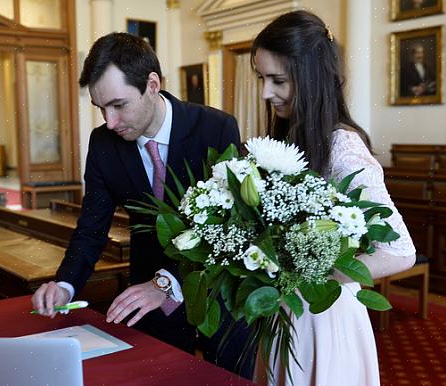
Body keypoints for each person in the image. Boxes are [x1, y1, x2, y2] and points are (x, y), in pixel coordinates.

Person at [30, 32, 254, 378]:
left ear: (152, 84)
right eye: (101, 108)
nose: (110, 121)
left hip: (217, 293)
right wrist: (66, 284)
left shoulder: (215, 127)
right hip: (146, 299)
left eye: (119, 105)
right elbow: (92, 227)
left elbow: (231, 227)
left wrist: (166, 283)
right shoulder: (103, 142)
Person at [252, 10, 417, 385]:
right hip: (284, 313)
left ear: (311, 79)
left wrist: (313, 273)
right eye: (261, 78)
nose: (265, 92)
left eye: (278, 80)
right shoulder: (288, 136)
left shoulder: (342, 146)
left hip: (323, 318)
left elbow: (400, 251)